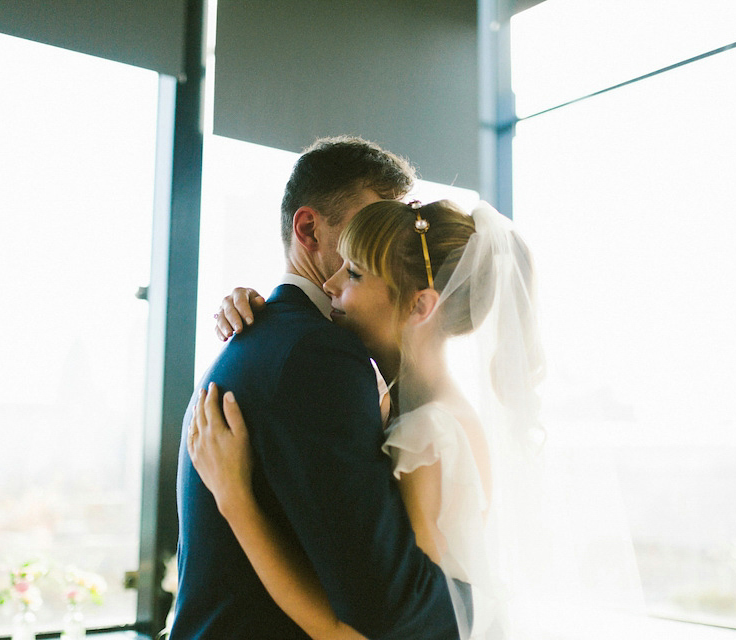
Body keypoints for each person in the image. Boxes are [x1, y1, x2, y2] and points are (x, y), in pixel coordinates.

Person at [190, 199, 557, 638]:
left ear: (420, 306)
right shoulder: (414, 410)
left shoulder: (428, 434)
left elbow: (370, 631)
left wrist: (234, 500)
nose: (329, 283)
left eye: (355, 273)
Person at [172, 137, 462, 640]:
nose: (390, 243)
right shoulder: (315, 355)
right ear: (308, 229)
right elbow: (386, 606)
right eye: (372, 228)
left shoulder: (279, 340)